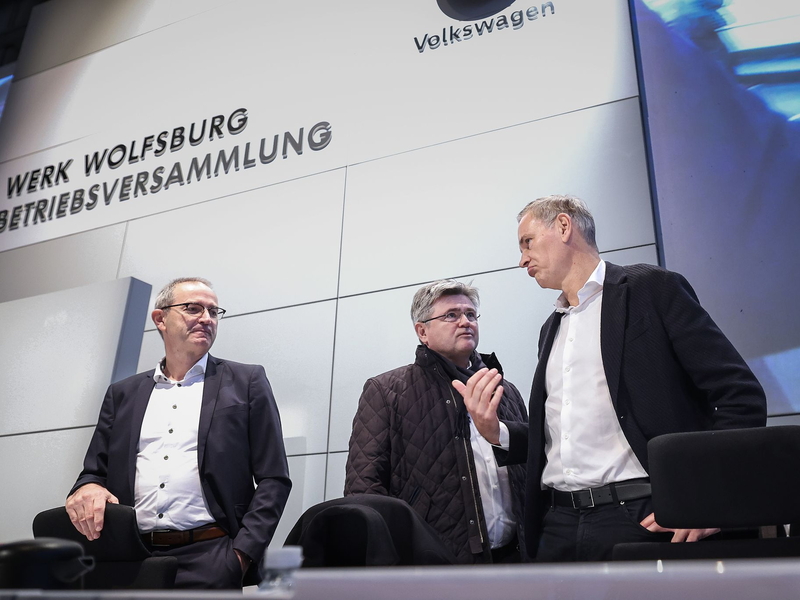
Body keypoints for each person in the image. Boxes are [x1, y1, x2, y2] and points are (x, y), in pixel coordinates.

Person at [454, 195, 767, 562]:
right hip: (558, 525)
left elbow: (739, 395)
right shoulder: (550, 328)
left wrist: (710, 495)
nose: (522, 259)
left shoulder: (651, 289)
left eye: (527, 242)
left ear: (564, 226)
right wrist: (496, 432)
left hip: (642, 517)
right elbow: (563, 432)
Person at [66, 277, 291, 588]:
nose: (206, 319)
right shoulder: (123, 394)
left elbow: (274, 478)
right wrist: (88, 487)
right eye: (193, 308)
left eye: (214, 312)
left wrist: (241, 555)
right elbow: (93, 472)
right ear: (161, 319)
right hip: (130, 559)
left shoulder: (247, 381)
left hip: (212, 557)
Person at [345, 280, 528, 563]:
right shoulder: (386, 391)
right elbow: (363, 490)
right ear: (422, 332)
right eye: (451, 315)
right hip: (434, 563)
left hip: (517, 559)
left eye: (470, 314)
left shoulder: (505, 390)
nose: (465, 322)